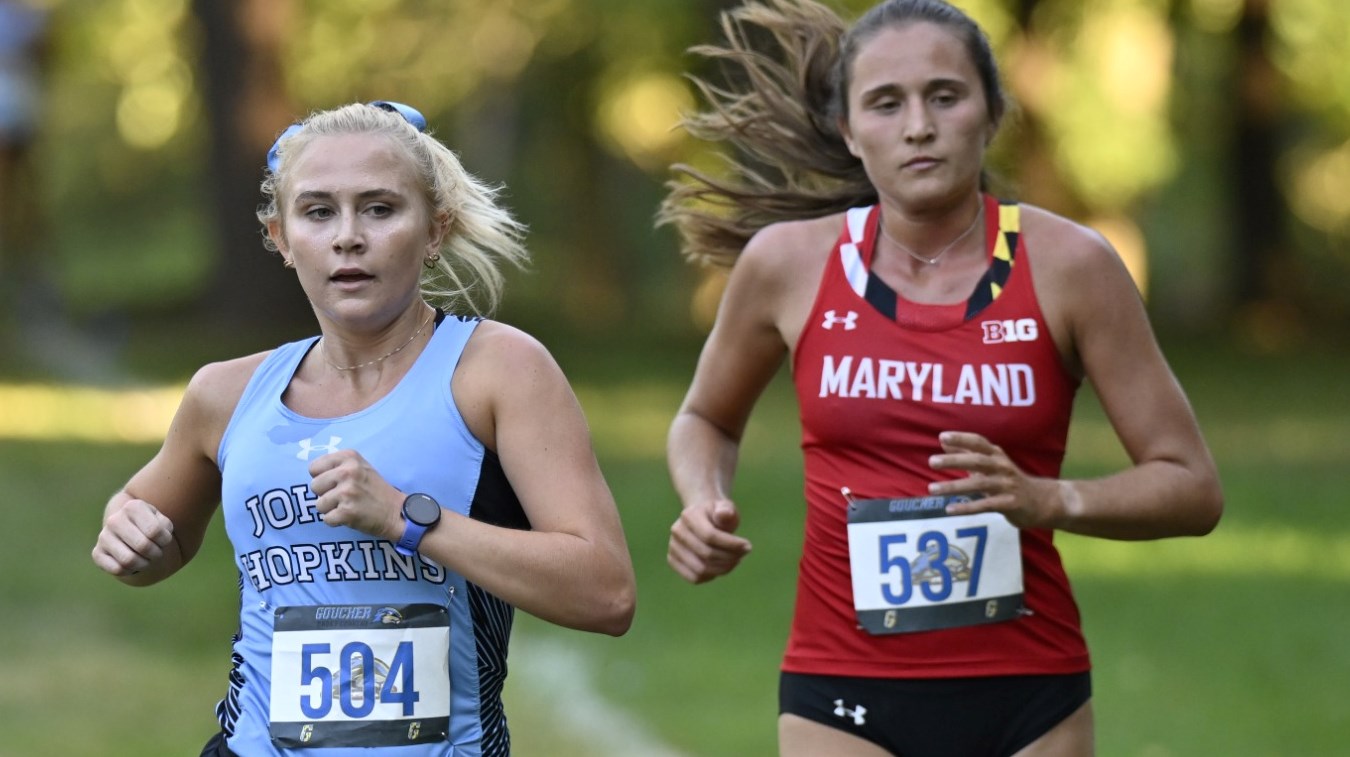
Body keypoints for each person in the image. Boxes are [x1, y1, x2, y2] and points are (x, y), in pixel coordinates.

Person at [660, 2, 1223, 755]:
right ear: (850, 132)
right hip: (840, 687)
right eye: (886, 104)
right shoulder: (787, 265)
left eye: (945, 96)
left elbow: (1190, 484)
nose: (918, 125)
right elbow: (707, 419)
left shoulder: (1073, 266)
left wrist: (1050, 498)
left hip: (1030, 693)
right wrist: (705, 501)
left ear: (992, 112)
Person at [92, 100, 636, 756]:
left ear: (435, 230)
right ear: (282, 237)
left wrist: (406, 517)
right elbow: (149, 531)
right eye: (318, 211)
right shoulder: (225, 394)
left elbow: (606, 591)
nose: (348, 236)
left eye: (379, 208)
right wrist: (131, 536)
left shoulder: (496, 370)